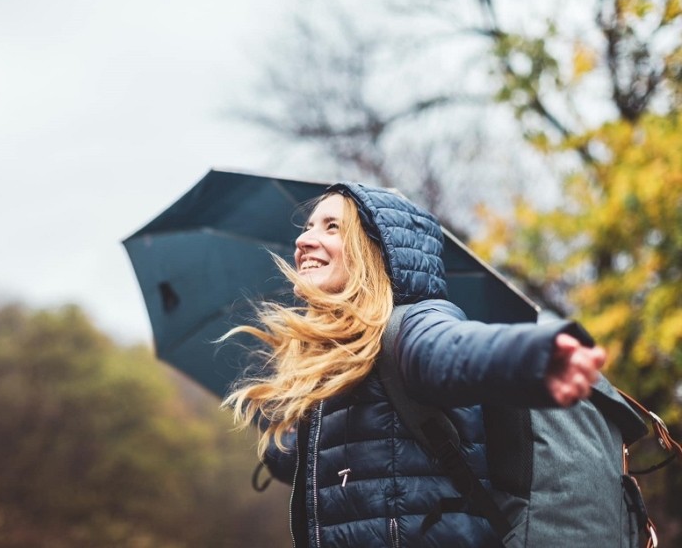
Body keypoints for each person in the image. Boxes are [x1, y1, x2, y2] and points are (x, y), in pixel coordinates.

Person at [222, 182, 607, 547]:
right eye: (307, 228)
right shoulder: (332, 362)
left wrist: (535, 355)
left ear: (377, 250)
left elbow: (454, 350)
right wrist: (285, 428)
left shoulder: (412, 325)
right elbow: (310, 467)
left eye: (332, 227)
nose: (303, 241)